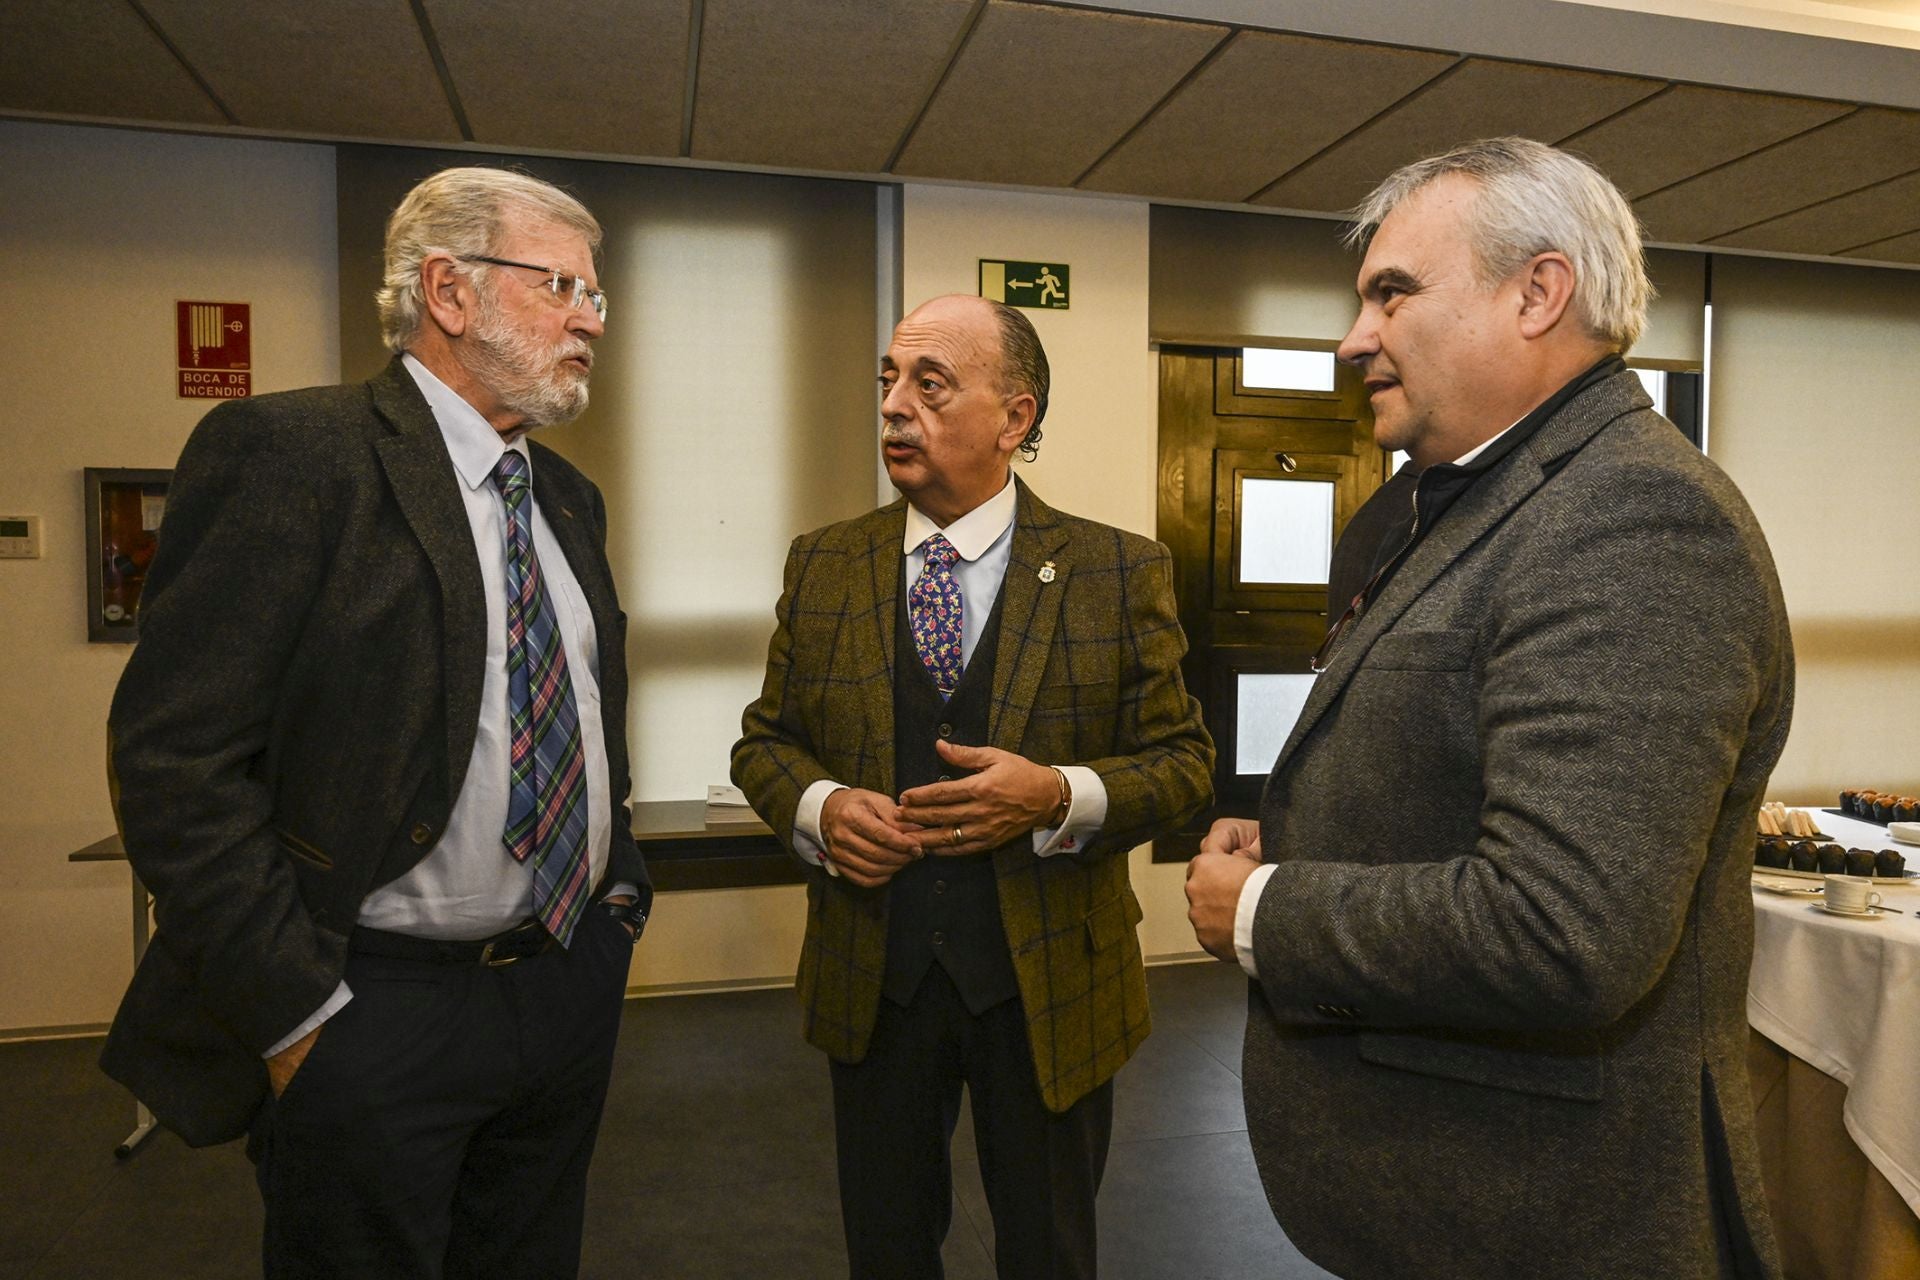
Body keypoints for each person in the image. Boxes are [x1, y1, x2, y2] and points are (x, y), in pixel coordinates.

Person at [1185, 137, 1793, 1280]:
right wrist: (1314, 833)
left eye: (1393, 292)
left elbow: (1565, 932)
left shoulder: (1636, 520)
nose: (1353, 336)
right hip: (1453, 1198)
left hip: (1551, 1214)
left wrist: (1268, 906)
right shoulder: (1478, 499)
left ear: (1538, 293)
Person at [102, 166, 651, 1279]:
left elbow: (587, 717)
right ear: (449, 291)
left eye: (598, 293)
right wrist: (300, 1013)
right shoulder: (297, 456)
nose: (592, 317)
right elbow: (176, 761)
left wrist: (615, 906)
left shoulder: (566, 498)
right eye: (562, 286)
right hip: (372, 1004)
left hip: (558, 987)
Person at [732, 294, 1212, 1279]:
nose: (895, 406)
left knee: (1048, 1249)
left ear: (1016, 418)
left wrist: (1059, 795)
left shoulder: (1118, 571)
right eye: (887, 381)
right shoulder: (824, 565)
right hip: (877, 977)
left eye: (930, 383)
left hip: (1049, 986)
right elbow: (766, 744)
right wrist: (820, 807)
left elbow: (1183, 763)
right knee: (888, 1247)